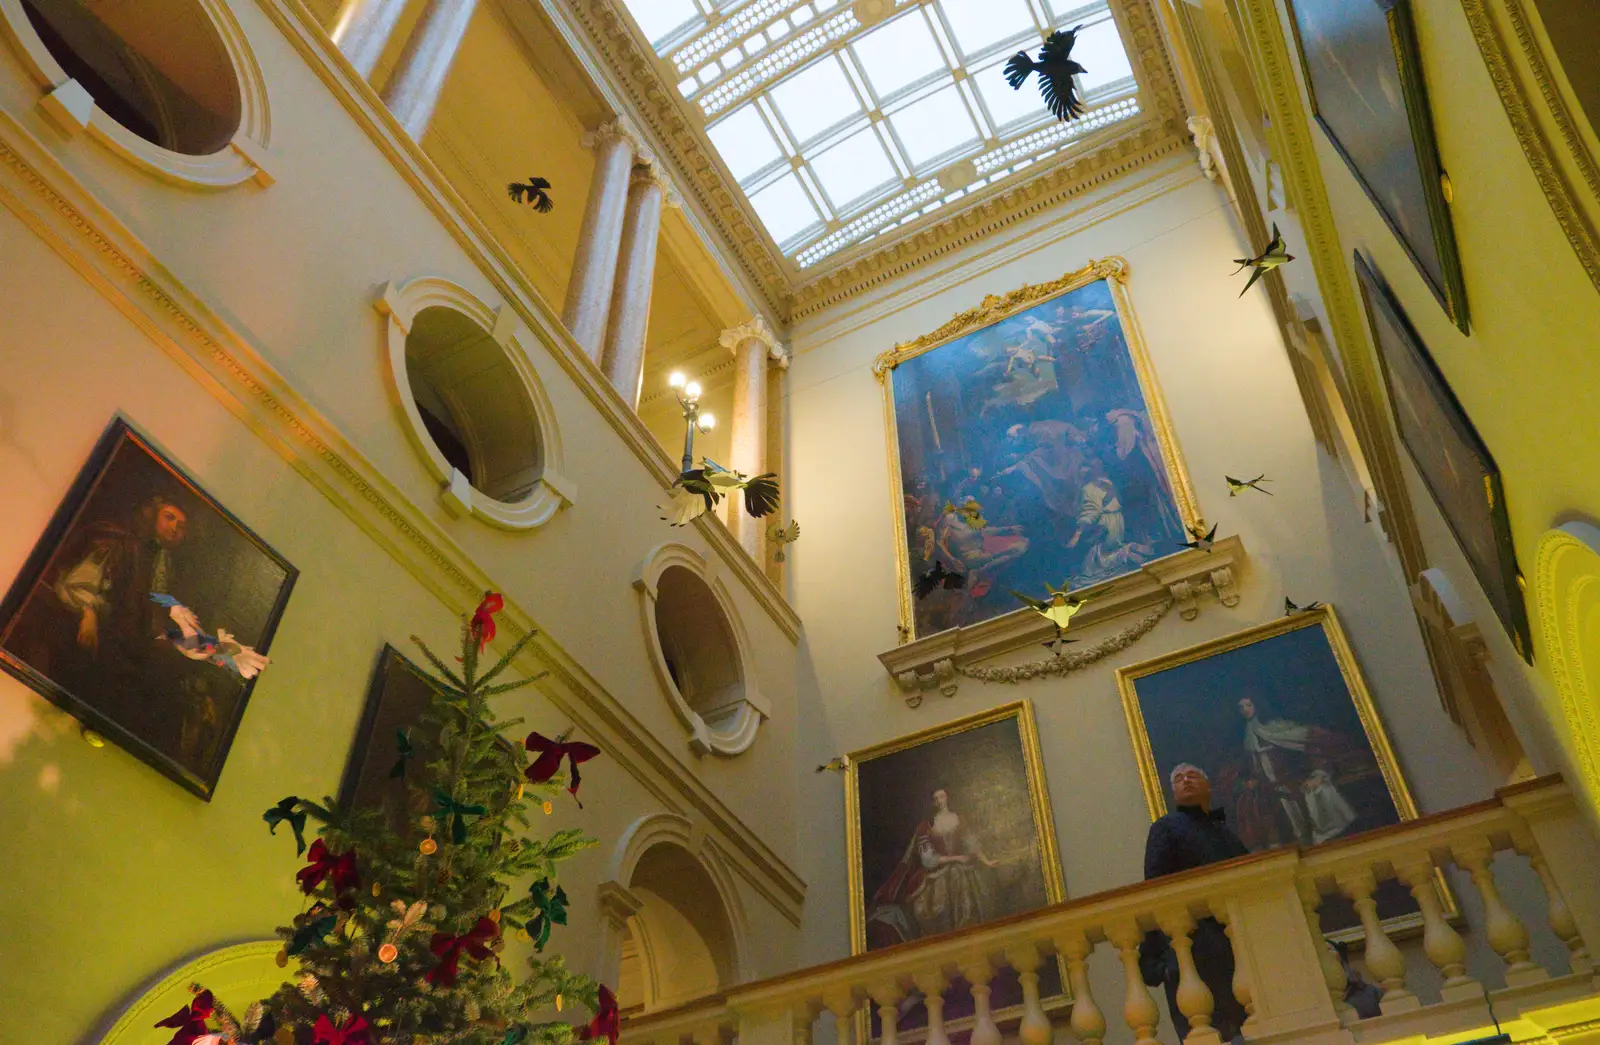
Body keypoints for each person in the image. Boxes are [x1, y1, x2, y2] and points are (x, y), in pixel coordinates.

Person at [1140, 763, 1250, 1042]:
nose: (1185, 780)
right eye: (1178, 778)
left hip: (1237, 944)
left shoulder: (1225, 833)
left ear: (1208, 786)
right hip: (1192, 947)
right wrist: (1154, 957)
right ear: (1173, 791)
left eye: (1192, 776)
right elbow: (1156, 889)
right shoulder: (1166, 827)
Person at [865, 788, 1001, 948]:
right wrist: (957, 858)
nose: (939, 801)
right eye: (935, 798)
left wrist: (986, 861)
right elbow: (928, 859)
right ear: (932, 802)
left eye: (941, 796)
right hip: (936, 874)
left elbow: (972, 843)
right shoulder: (926, 826)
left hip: (961, 872)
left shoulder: (960, 819)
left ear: (948, 797)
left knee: (968, 903)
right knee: (932, 912)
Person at [1231, 694, 1361, 849]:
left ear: (1257, 704)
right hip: (1267, 790)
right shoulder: (1248, 735)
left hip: (1292, 781)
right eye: (1241, 707)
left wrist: (1318, 774)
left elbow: (1311, 749)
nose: (1245, 710)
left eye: (1248, 705)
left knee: (1314, 799)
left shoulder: (1278, 728)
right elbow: (1251, 768)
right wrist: (1251, 780)